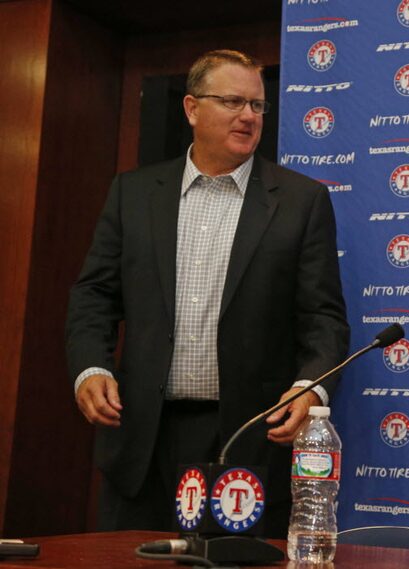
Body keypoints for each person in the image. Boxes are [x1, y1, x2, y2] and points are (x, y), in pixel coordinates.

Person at [66, 49, 349, 537]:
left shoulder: (301, 202)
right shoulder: (132, 194)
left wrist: (312, 386)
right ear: (193, 109)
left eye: (258, 106)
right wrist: (91, 367)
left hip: (247, 440)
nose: (248, 116)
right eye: (233, 102)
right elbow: (94, 296)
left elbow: (323, 319)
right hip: (142, 440)